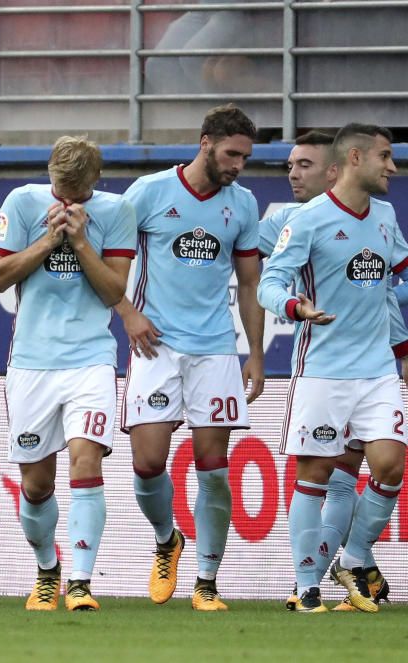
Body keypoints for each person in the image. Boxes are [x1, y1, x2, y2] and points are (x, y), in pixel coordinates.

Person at [115, 104, 264, 611]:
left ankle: (206, 581)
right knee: (148, 461)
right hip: (155, 347)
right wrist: (128, 313)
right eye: (231, 154)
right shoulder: (149, 193)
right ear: (205, 143)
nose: (239, 165)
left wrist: (256, 354)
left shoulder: (243, 205)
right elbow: (108, 262)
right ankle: (167, 540)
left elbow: (249, 285)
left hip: (215, 350)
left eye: (245, 156)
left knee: (213, 467)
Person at [259, 123, 407, 613]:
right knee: (316, 473)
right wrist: (296, 308)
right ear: (358, 158)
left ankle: (355, 556)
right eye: (386, 157)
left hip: (378, 368)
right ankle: (305, 589)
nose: (392, 167)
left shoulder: (385, 216)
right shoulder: (307, 220)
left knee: (389, 464)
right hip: (322, 369)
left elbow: (400, 273)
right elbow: (268, 285)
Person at [0, 137, 135, 611]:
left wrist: (81, 241)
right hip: (31, 362)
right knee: (36, 484)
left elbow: (114, 288)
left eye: (75, 189)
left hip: (90, 359)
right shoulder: (23, 202)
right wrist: (50, 239)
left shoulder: (117, 211)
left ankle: (80, 581)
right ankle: (47, 570)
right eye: (59, 186)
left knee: (87, 462)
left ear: (95, 180)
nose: (65, 198)